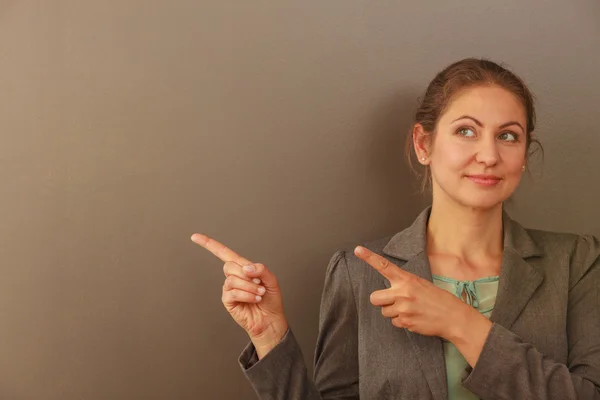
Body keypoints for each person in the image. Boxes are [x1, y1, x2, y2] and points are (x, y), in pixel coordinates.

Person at [192, 58, 600, 399]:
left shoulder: (577, 262)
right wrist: (270, 337)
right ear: (424, 145)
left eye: (508, 136)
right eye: (466, 131)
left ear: (524, 154)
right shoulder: (359, 273)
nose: (489, 155)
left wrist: (462, 323)